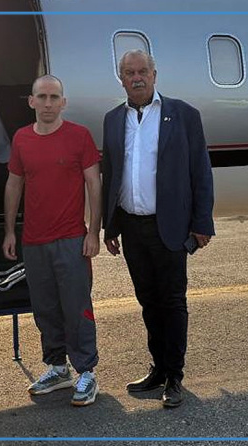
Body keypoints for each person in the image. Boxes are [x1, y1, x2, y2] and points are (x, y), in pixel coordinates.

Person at [101, 50, 215, 408]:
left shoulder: (183, 115)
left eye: (142, 71)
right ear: (121, 78)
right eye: (129, 72)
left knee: (172, 301)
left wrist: (202, 222)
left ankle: (175, 376)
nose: (136, 78)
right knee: (148, 301)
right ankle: (158, 368)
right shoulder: (112, 119)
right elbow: (111, 175)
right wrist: (109, 226)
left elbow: (201, 171)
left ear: (154, 74)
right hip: (131, 227)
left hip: (169, 226)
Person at [2, 74, 102, 407]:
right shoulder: (21, 138)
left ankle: (86, 370)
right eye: (42, 97)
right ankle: (58, 368)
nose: (48, 103)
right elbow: (14, 184)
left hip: (71, 240)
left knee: (76, 307)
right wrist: (10, 231)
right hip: (34, 241)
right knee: (45, 308)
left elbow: (94, 184)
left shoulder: (79, 136)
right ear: (31, 101)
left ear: (63, 102)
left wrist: (93, 232)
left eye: (54, 97)